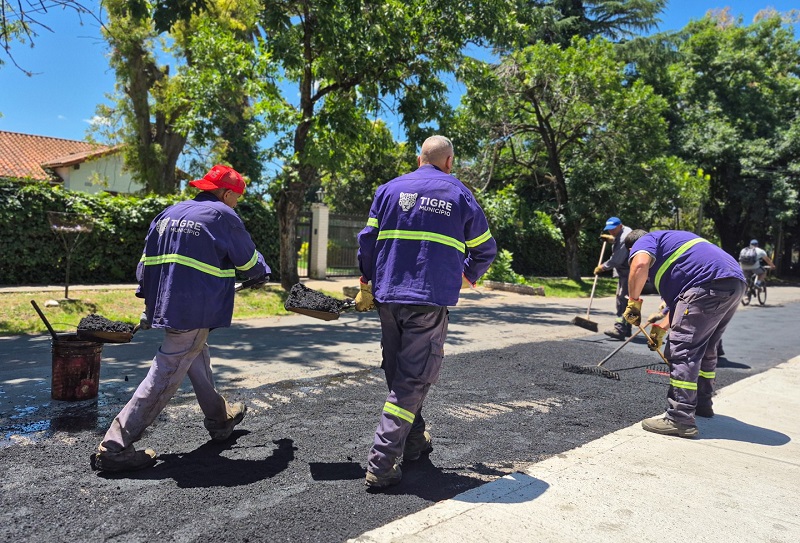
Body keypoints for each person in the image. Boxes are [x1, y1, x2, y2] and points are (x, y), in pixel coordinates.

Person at [92, 165, 271, 472]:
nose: (236, 203)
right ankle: (115, 447)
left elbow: (144, 265)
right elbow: (248, 261)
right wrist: (261, 273)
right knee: (167, 370)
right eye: (236, 198)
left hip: (166, 302)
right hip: (193, 307)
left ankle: (220, 419)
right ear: (227, 193)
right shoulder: (223, 216)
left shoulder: (168, 214)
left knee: (194, 355)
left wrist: (152, 303)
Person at [355, 135, 497, 489]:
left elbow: (367, 241)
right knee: (412, 380)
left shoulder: (388, 190)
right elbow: (485, 249)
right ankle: (381, 462)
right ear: (449, 162)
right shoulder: (459, 194)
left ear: (420, 159)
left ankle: (414, 440)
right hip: (427, 299)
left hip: (388, 297)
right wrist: (466, 275)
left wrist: (369, 280)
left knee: (399, 370)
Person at [622, 229, 745, 439]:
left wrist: (633, 303)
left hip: (708, 284)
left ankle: (680, 418)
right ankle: (703, 403)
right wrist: (661, 329)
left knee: (684, 350)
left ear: (633, 249)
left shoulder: (646, 241)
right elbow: (680, 307)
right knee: (706, 347)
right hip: (733, 283)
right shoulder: (675, 249)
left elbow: (640, 265)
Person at [595, 217, 633, 340]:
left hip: (629, 272)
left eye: (613, 230)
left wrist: (602, 267)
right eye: (609, 230)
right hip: (628, 271)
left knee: (622, 300)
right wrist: (613, 240)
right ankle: (627, 328)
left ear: (620, 226)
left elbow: (617, 259)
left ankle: (619, 329)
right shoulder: (625, 232)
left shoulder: (623, 238)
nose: (611, 232)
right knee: (629, 300)